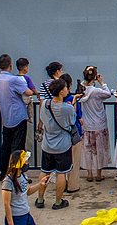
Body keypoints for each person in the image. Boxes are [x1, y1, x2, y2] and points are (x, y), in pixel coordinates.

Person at [36, 78, 77, 210]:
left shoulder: (45, 104)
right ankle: (58, 201)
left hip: (47, 144)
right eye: (65, 88)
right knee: (61, 173)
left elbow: (43, 118)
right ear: (61, 91)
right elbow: (72, 121)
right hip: (62, 145)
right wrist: (74, 103)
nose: (67, 90)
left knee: (45, 171)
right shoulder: (67, 108)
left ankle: (40, 198)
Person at [0, 54, 34, 179]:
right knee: (18, 147)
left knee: (5, 146)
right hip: (18, 116)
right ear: (11, 65)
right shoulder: (14, 80)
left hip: (6, 117)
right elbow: (28, 92)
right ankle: (16, 174)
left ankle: (3, 173)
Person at [79, 66, 111, 182]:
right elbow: (108, 94)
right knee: (100, 149)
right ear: (95, 78)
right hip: (99, 124)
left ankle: (89, 174)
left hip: (86, 125)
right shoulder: (96, 91)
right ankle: (98, 173)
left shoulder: (82, 91)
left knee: (88, 149)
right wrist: (102, 83)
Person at [3, 150, 47, 225]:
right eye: (25, 162)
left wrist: (40, 184)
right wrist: (10, 222)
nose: (27, 164)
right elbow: (6, 203)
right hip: (16, 217)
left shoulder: (23, 175)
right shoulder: (8, 181)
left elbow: (28, 191)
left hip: (26, 213)